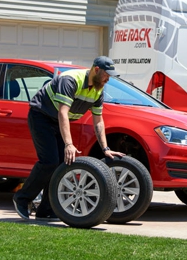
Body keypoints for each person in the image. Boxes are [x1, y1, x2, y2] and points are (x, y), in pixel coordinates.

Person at [13, 56, 125, 220]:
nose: (108, 78)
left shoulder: (98, 90)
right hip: (41, 116)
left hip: (58, 120)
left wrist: (105, 149)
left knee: (61, 165)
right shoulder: (71, 80)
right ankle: (22, 199)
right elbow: (63, 112)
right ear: (96, 69)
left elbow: (98, 121)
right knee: (49, 161)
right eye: (106, 74)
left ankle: (46, 209)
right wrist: (69, 144)